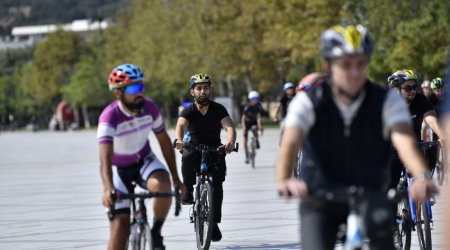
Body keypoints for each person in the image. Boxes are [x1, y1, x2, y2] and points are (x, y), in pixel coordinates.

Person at [276, 24, 437, 250]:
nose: (355, 72)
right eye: (346, 64)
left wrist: (421, 175)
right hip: (321, 196)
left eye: (361, 63)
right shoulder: (309, 102)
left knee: (384, 237)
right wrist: (285, 179)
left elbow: (405, 142)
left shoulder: (387, 101)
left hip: (371, 192)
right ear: (328, 65)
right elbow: (290, 143)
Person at [97, 63, 183, 250]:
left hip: (144, 161)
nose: (140, 93)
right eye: (135, 88)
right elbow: (104, 158)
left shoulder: (150, 108)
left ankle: (155, 233)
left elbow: (164, 142)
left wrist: (176, 178)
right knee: (119, 228)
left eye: (141, 86)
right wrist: (108, 189)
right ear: (118, 92)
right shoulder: (109, 117)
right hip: (117, 169)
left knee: (163, 185)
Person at [174, 73, 236, 242]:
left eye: (206, 88)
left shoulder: (218, 109)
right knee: (186, 158)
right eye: (199, 88)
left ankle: (213, 222)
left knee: (217, 186)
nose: (203, 91)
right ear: (192, 92)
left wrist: (230, 142)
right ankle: (187, 191)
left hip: (215, 149)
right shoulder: (188, 111)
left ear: (210, 90)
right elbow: (180, 125)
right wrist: (179, 140)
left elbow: (229, 126)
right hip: (194, 147)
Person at [388, 69, 445, 189]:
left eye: (415, 87)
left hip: (415, 145)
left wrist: (443, 135)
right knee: (390, 187)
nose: (413, 91)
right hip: (393, 147)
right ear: (395, 89)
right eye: (408, 88)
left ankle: (423, 192)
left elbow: (431, 119)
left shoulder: (420, 100)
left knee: (431, 150)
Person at [241, 90, 263, 164]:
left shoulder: (258, 106)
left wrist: (260, 127)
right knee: (245, 139)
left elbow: (259, 117)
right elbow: (243, 118)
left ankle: (256, 140)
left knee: (255, 129)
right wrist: (244, 128)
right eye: (253, 99)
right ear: (250, 99)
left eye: (256, 99)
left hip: (254, 122)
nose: (255, 100)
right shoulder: (247, 107)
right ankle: (247, 155)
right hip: (246, 123)